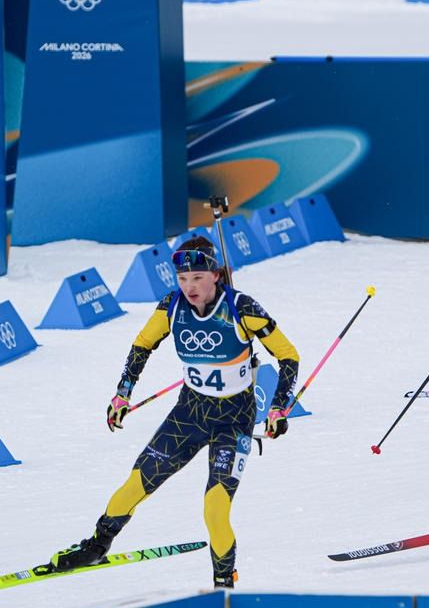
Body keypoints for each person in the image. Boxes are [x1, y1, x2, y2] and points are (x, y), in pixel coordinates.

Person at [49, 236, 300, 588]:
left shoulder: (242, 307)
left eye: (197, 278)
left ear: (215, 275)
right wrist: (122, 394)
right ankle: (96, 546)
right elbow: (142, 344)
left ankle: (223, 583)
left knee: (215, 509)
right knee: (134, 485)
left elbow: (288, 355)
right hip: (189, 414)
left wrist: (277, 408)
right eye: (182, 279)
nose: (189, 287)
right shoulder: (172, 307)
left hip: (234, 420)